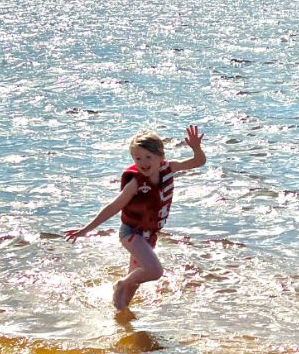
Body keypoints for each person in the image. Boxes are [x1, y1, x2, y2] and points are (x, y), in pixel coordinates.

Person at [65, 125, 206, 310]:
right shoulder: (135, 183)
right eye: (138, 158)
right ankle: (120, 284)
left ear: (160, 156)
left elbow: (198, 162)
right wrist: (86, 229)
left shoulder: (169, 168)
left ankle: (121, 316)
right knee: (154, 271)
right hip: (131, 233)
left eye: (148, 157)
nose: (143, 162)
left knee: (132, 289)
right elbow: (113, 207)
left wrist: (196, 148)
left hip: (148, 235)